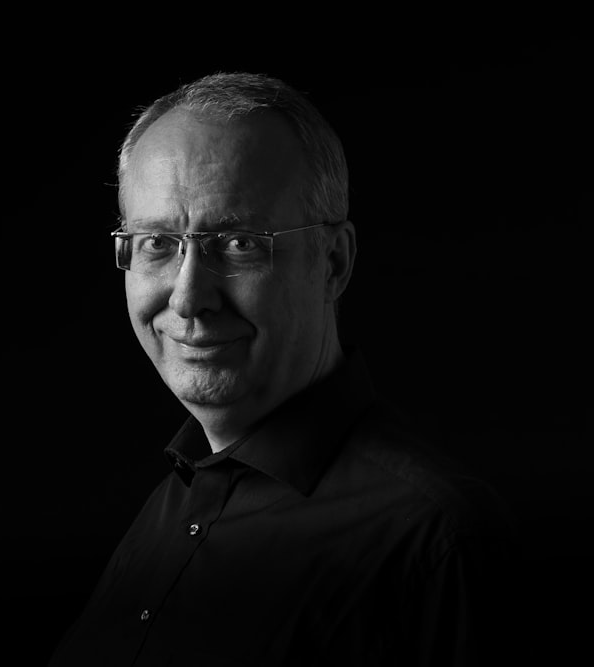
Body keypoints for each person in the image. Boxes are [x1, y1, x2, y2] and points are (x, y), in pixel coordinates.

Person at [49, 72, 518, 666]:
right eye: (157, 243)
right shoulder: (173, 505)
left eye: (240, 243)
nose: (189, 298)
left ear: (334, 262)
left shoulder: (436, 542)